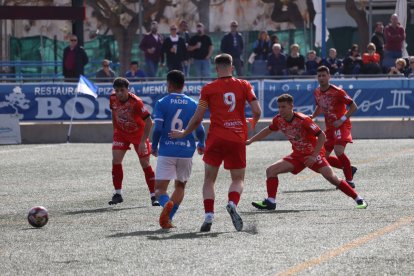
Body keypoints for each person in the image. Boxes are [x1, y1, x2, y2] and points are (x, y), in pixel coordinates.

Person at [170, 54, 262, 232]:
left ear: (216, 68)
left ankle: (209, 215)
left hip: (216, 138)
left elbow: (197, 118)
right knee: (237, 179)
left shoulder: (208, 88)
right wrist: (252, 123)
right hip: (237, 138)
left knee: (209, 180)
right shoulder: (244, 85)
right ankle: (232, 203)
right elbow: (257, 110)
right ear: (232, 67)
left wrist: (184, 133)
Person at [248, 94, 368, 210]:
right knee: (271, 170)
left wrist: (314, 156)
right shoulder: (278, 120)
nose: (280, 110)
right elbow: (268, 130)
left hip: (313, 155)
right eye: (279, 107)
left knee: (331, 177)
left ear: (291, 106)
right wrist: (251, 140)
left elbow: (322, 136)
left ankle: (359, 199)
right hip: (297, 155)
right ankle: (271, 201)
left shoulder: (303, 120)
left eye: (283, 107)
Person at [152, 70, 205, 229]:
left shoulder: (162, 102)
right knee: (180, 187)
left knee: (160, 190)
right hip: (186, 151)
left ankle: (166, 203)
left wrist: (154, 146)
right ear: (183, 85)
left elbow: (158, 129)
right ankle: (169, 218)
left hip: (167, 150)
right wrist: (201, 143)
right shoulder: (193, 103)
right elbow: (199, 128)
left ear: (169, 84)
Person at [108, 77, 159, 207]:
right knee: (116, 160)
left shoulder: (136, 102)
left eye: (122, 90)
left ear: (127, 90)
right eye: (117, 90)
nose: (119, 93)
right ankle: (118, 194)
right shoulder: (113, 98)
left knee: (145, 164)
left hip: (138, 135)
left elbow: (149, 121)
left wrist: (143, 141)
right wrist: (115, 131)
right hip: (121, 134)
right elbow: (114, 114)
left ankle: (154, 196)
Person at [311, 66, 358, 188]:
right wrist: (312, 116)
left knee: (338, 151)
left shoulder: (337, 91)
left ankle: (349, 180)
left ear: (329, 76)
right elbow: (319, 106)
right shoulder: (317, 92)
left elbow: (353, 106)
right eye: (319, 76)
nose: (321, 78)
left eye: (324, 75)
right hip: (330, 128)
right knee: (321, 156)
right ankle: (348, 168)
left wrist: (342, 119)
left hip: (341, 126)